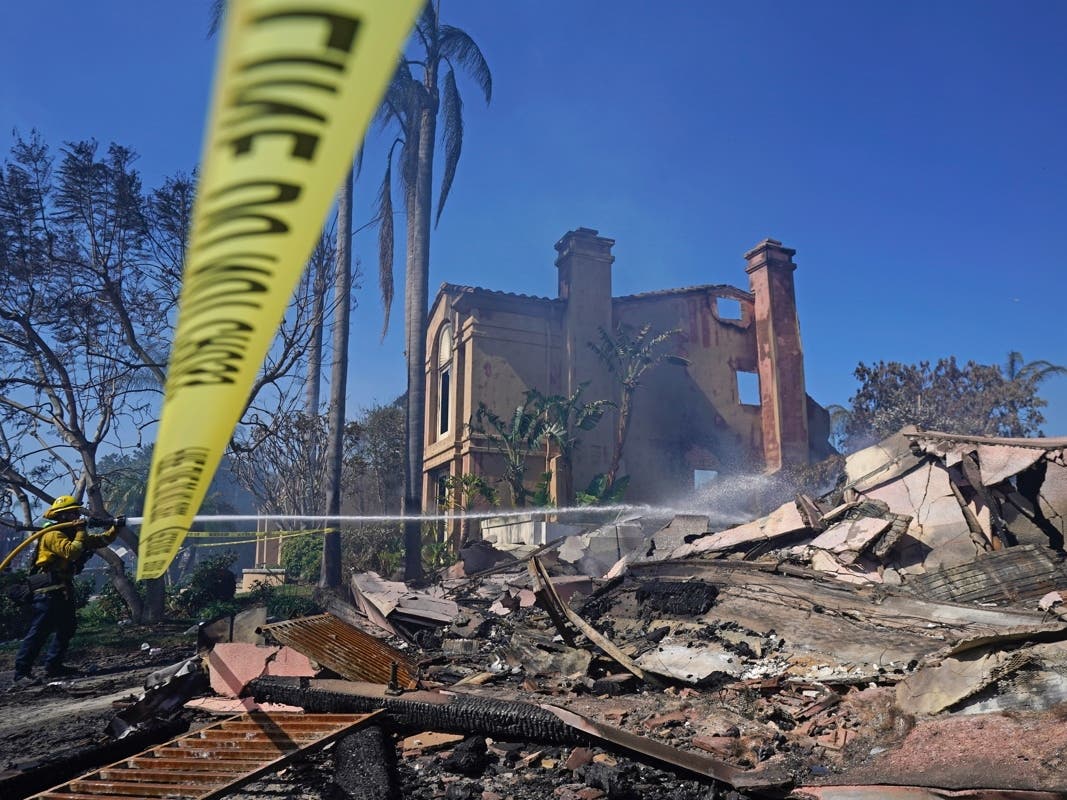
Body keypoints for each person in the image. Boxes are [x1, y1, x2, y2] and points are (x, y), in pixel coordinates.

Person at [11, 495, 124, 687]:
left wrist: (115, 527)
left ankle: (53, 666)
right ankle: (21, 673)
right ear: (63, 516)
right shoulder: (53, 535)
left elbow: (101, 540)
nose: (77, 515)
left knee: (67, 627)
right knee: (39, 633)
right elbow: (71, 552)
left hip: (61, 591)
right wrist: (80, 530)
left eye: (77, 512)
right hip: (47, 592)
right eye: (73, 513)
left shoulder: (72, 533)